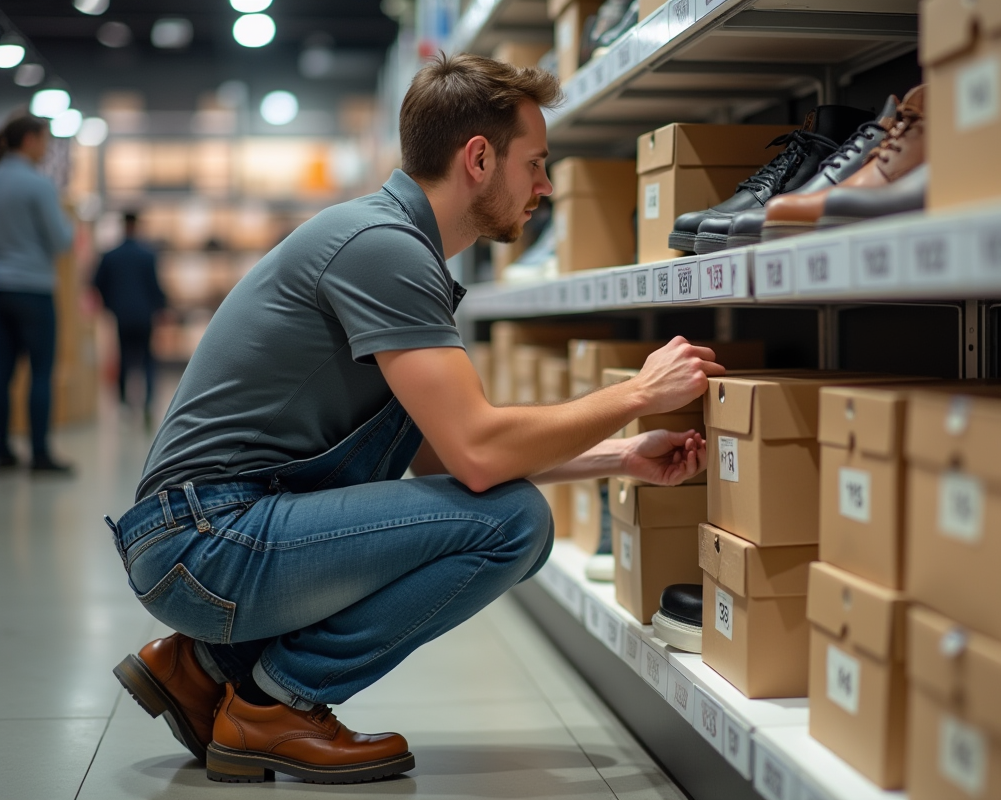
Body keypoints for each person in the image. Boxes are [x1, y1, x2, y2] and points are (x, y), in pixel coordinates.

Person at [106, 53, 724, 786]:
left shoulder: (393, 244)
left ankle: (204, 669)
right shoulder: (384, 249)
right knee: (518, 524)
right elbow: (479, 455)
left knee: (500, 510)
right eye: (535, 164)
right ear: (478, 159)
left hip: (206, 533)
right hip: (205, 540)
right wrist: (635, 394)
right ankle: (275, 705)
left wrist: (617, 457)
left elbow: (444, 462)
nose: (546, 187)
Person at [0, 113, 74, 473]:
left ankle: (2, 451)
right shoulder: (38, 185)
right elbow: (61, 240)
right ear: (29, 140)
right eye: (45, 141)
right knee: (41, 373)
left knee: (2, 374)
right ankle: (40, 453)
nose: (46, 149)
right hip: (33, 289)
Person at [93, 212, 166, 425]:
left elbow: (97, 283)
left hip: (121, 314)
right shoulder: (148, 254)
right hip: (145, 314)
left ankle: (125, 405)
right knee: (147, 359)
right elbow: (155, 286)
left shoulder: (111, 255)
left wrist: (109, 304)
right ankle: (148, 404)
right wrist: (161, 307)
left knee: (124, 357)